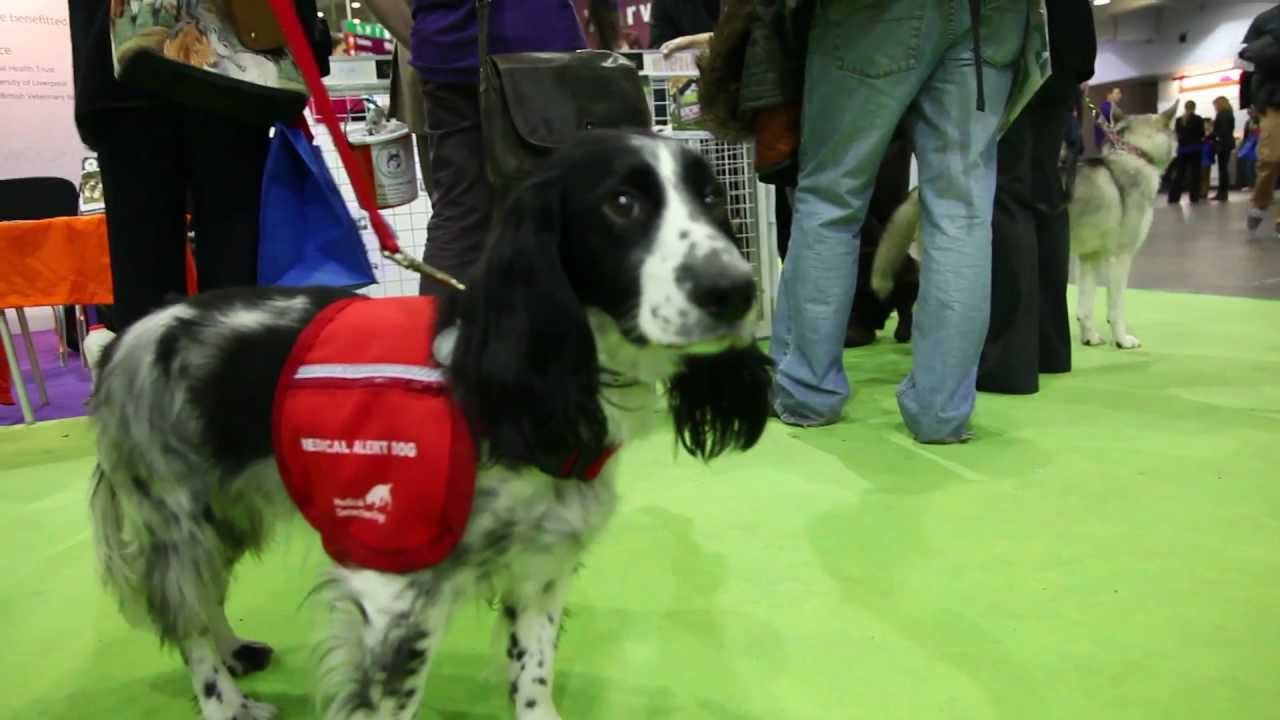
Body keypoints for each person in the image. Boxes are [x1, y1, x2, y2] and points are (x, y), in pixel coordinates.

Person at [771, 1, 1027, 442]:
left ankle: (806, 393)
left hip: (875, 14)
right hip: (994, 14)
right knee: (962, 212)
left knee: (831, 199)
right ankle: (941, 412)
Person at [65, 0, 305, 330]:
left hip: (186, 75)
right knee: (230, 281)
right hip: (223, 73)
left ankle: (190, 373)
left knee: (156, 286)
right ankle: (228, 373)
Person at [407, 0, 602, 293]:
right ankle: (549, 332)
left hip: (445, 51)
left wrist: (429, 34)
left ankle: (442, 332)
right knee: (550, 207)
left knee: (459, 212)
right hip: (536, 47)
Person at [979, 0, 1096, 396]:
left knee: (1008, 194)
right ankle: (1050, 348)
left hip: (1018, 34)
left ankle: (1008, 361)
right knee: (1045, 193)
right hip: (1068, 39)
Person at [1241, 4, 1280, 238]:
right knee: (1271, 158)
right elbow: (1246, 66)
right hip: (1272, 97)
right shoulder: (1265, 19)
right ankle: (1260, 201)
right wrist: (1249, 103)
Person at [1169, 101, 1206, 204]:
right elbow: (1202, 133)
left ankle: (1174, 197)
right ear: (1194, 108)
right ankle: (1194, 197)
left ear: (1185, 108)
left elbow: (1176, 134)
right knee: (1195, 174)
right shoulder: (1198, 119)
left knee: (1179, 174)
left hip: (1182, 150)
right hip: (1195, 149)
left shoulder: (1179, 120)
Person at [650, 0, 720, 49]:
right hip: (685, 65)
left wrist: (690, 42)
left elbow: (728, 39)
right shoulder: (662, 3)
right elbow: (660, 48)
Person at [1210, 96, 1237, 202]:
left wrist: (1214, 136)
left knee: (1222, 169)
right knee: (1224, 169)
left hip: (1222, 144)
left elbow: (1221, 131)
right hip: (1228, 143)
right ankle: (1223, 193)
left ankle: (1222, 193)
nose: (1215, 107)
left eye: (1216, 105)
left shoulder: (1221, 114)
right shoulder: (1230, 113)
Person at [1093, 87, 1123, 151]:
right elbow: (1100, 124)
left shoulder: (1112, 107)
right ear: (1109, 95)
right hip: (1107, 142)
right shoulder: (1106, 107)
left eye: (1120, 94)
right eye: (1117, 93)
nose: (1120, 96)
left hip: (1110, 142)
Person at [1238, 108, 1260, 190]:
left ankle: (1257, 185)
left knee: (1255, 166)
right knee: (1249, 166)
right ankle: (1252, 185)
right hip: (1250, 145)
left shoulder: (1260, 121)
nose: (1249, 113)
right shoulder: (1248, 122)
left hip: (1257, 145)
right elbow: (1246, 135)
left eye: (1251, 111)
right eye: (1248, 111)